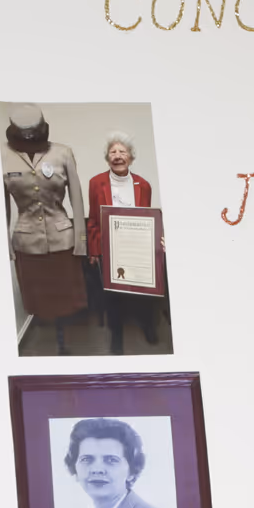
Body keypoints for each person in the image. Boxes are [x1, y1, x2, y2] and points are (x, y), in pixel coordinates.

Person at [0, 104, 90, 356]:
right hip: (27, 242)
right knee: (39, 300)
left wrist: (80, 241)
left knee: (65, 300)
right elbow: (1, 206)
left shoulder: (62, 153)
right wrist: (4, 243)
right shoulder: (0, 156)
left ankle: (64, 344)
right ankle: (45, 352)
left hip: (63, 240)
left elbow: (77, 198)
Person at [85, 131, 167, 354]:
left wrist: (156, 243)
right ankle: (116, 337)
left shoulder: (144, 185)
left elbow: (148, 219)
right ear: (107, 158)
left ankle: (148, 327)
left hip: (137, 248)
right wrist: (93, 250)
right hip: (109, 249)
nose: (118, 156)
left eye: (123, 151)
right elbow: (93, 219)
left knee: (143, 293)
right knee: (113, 296)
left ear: (131, 156)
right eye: (113, 152)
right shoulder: (96, 183)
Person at [64, 417, 175, 508]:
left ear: (132, 471)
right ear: (74, 468)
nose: (97, 469)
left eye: (111, 460)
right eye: (87, 459)